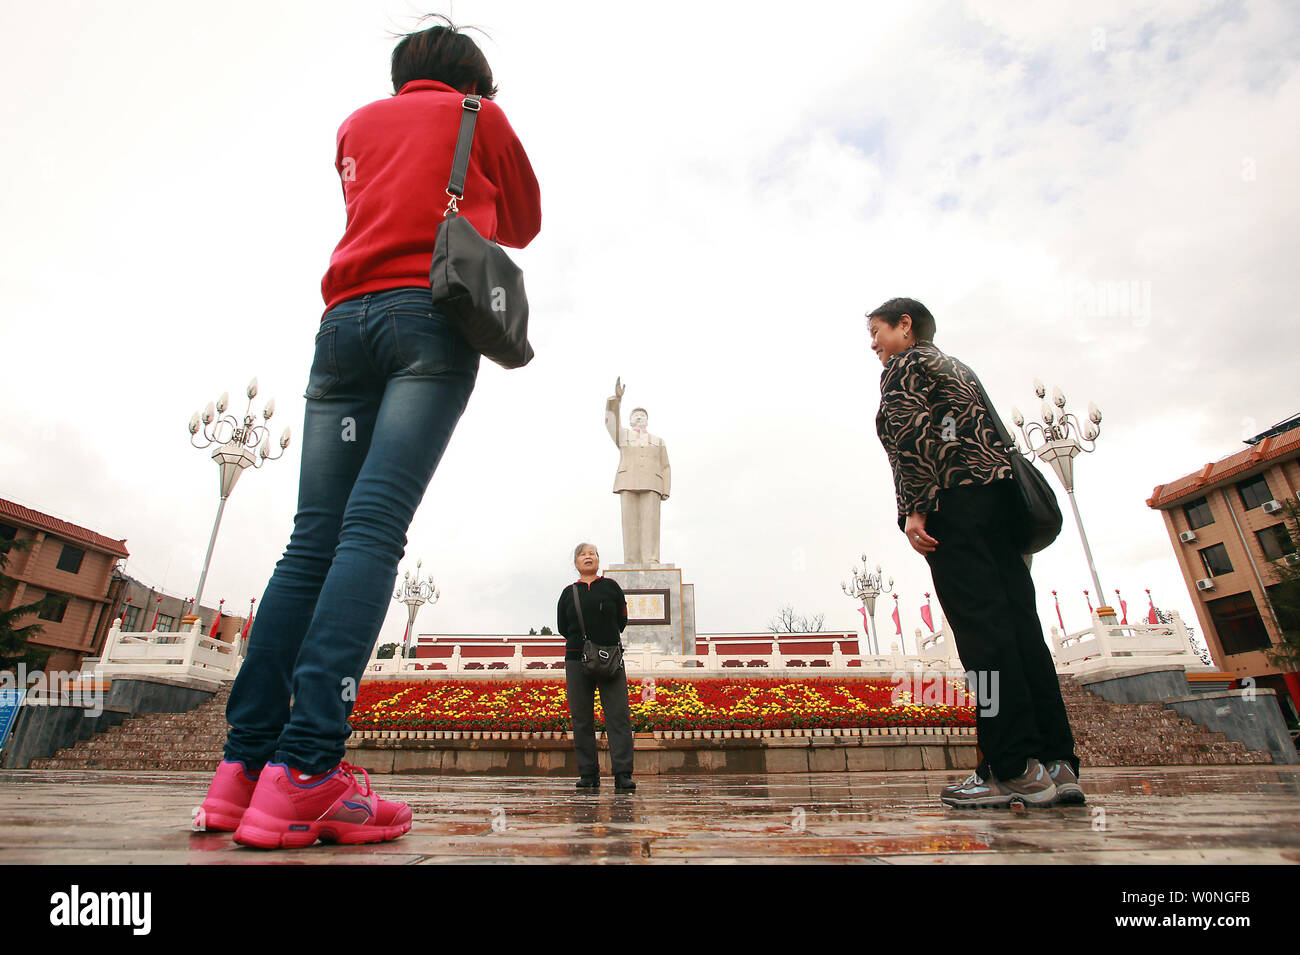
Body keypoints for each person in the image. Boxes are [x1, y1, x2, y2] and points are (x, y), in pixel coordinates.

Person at [198, 19, 541, 848]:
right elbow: (524, 223)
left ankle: (242, 769)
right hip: (428, 321)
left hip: (341, 327)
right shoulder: (477, 115)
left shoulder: (355, 124)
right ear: (472, 74)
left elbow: (373, 207)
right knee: (373, 529)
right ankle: (309, 769)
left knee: (310, 540)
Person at [868, 297, 1082, 809]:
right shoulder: (958, 367)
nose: (873, 344)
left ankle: (1011, 768)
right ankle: (1058, 764)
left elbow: (916, 438)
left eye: (877, 331)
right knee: (1021, 630)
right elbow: (973, 434)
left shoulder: (905, 365)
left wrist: (916, 508)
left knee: (984, 639)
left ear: (906, 325)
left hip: (954, 508)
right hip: (1000, 508)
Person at [556, 543, 636, 792]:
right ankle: (588, 773)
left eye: (592, 553)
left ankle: (623, 773)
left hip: (610, 658)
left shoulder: (611, 587)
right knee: (581, 718)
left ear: (598, 560)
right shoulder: (569, 593)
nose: (587, 557)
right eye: (582, 554)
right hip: (576, 660)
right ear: (576, 563)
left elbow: (622, 619)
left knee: (618, 716)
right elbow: (562, 626)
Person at [605, 378, 671, 564]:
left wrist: (666, 489)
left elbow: (665, 466)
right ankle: (631, 560)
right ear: (630, 419)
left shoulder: (658, 441)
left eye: (643, 415)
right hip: (628, 482)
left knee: (650, 524)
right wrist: (616, 400)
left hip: (652, 483)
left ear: (648, 420)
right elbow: (610, 422)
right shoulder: (624, 436)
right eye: (636, 415)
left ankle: (651, 559)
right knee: (630, 524)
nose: (640, 417)